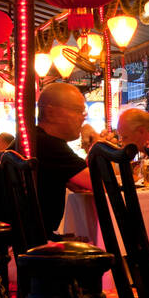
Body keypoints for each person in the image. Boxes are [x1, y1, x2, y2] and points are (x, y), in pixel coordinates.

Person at [31, 83, 92, 235]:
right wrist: (95, 142)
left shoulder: (36, 140)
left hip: (16, 241)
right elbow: (102, 182)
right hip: (28, 247)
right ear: (51, 113)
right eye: (79, 111)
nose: (84, 118)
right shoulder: (47, 144)